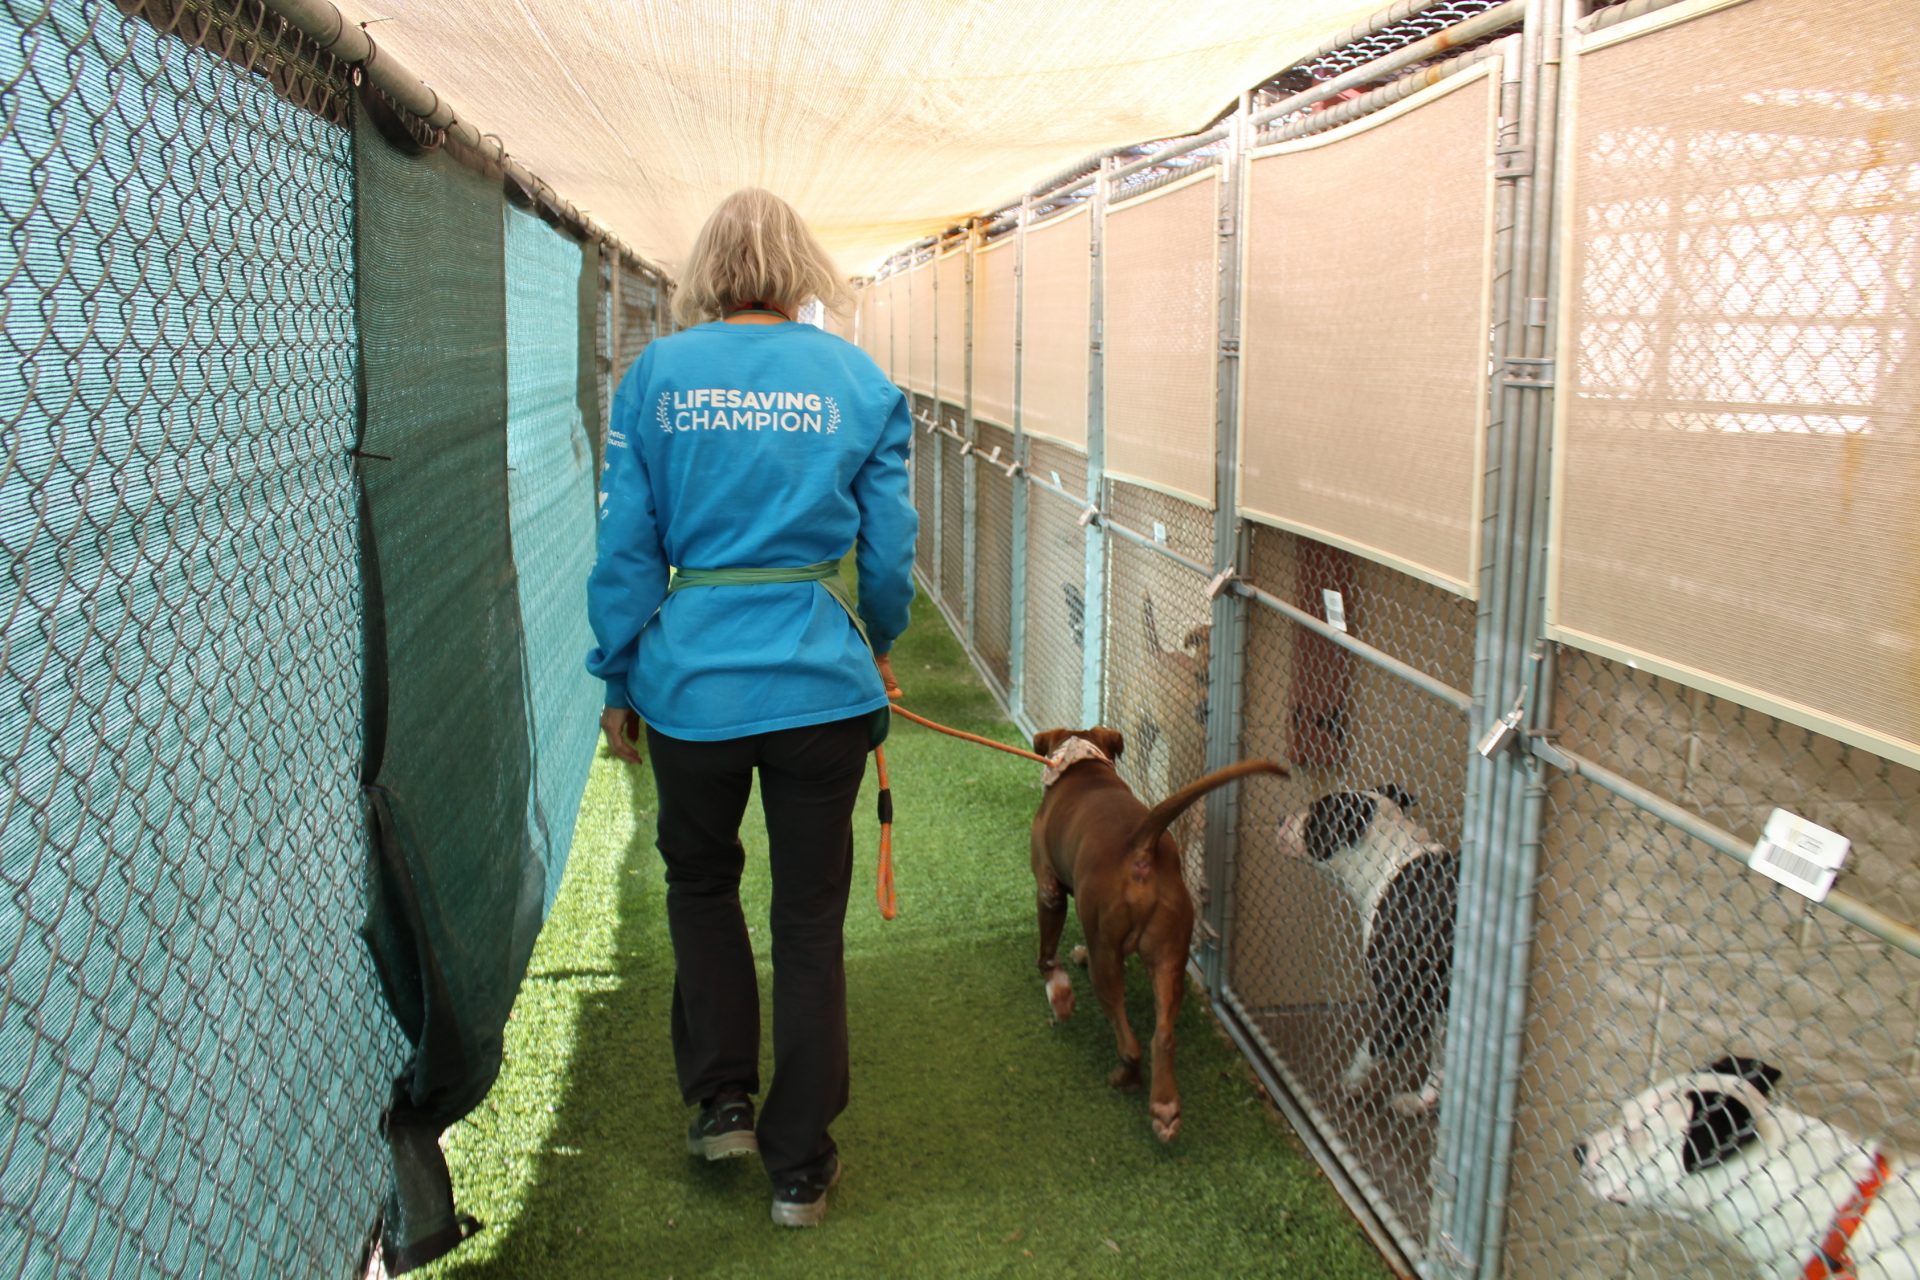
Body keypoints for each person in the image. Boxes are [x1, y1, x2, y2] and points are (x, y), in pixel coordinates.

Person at [585, 188, 916, 1229]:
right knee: (810, 917)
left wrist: (617, 672)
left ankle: (722, 1099)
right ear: (798, 265)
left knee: (701, 882)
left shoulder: (657, 378)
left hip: (689, 688)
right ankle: (799, 1166)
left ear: (709, 269)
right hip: (821, 684)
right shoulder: (858, 380)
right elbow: (892, 548)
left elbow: (627, 550)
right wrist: (882, 640)